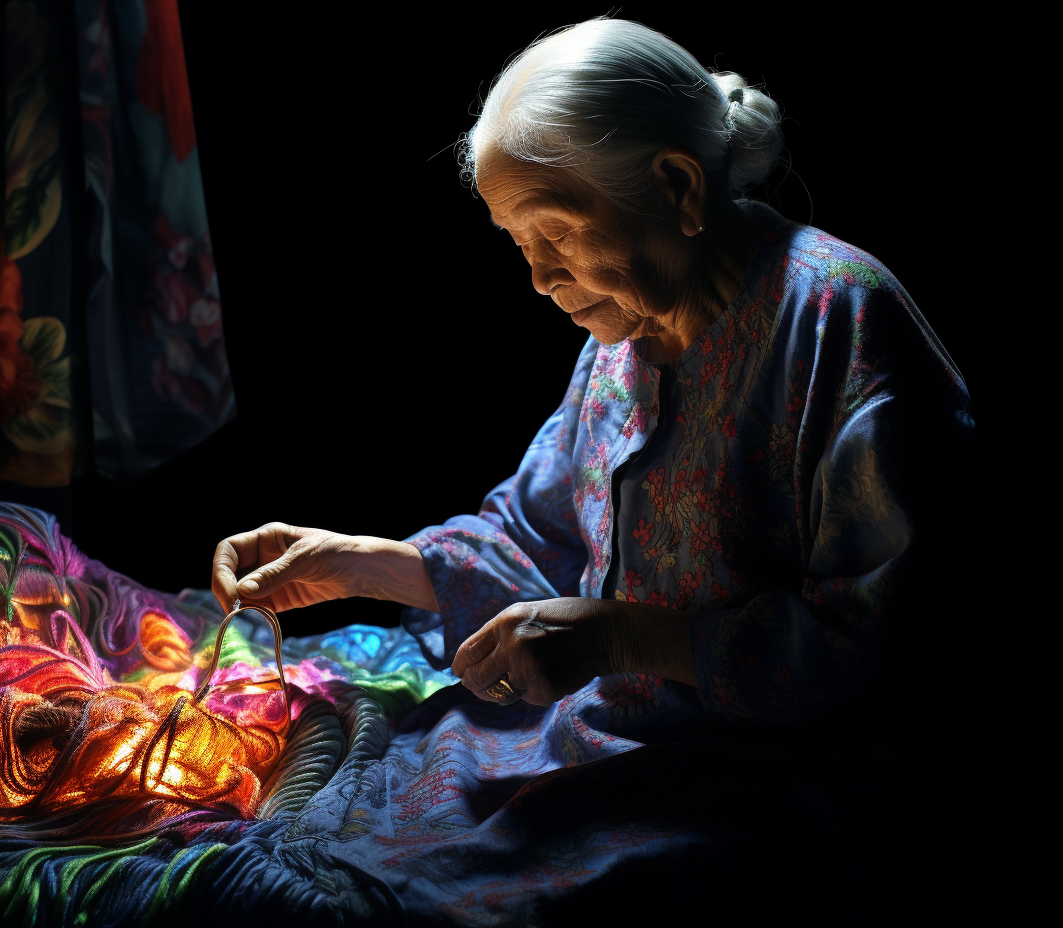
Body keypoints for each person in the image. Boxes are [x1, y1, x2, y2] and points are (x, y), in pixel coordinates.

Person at [211, 18, 973, 726]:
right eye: (519, 242)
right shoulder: (625, 333)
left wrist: (624, 641)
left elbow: (897, 643)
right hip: (618, 729)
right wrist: (362, 564)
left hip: (776, 771)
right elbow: (539, 540)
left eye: (558, 232)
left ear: (678, 186)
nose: (540, 276)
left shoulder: (839, 319)